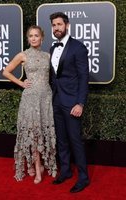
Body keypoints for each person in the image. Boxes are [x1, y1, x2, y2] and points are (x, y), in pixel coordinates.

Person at [2, 25, 57, 184]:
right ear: (28, 38)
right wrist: (21, 83)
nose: (33, 38)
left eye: (36, 35)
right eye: (31, 36)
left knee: (43, 131)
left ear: (42, 38)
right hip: (30, 98)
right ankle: (37, 169)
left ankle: (38, 166)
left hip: (46, 97)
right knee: (34, 133)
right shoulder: (23, 55)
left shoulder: (48, 56)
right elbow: (6, 71)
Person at [49, 12, 90, 193]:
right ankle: (65, 171)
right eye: (54, 25)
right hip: (56, 100)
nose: (56, 28)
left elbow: (83, 78)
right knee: (62, 141)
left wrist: (80, 103)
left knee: (75, 141)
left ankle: (83, 177)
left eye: (59, 24)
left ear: (67, 25)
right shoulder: (51, 48)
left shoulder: (78, 48)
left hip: (72, 102)